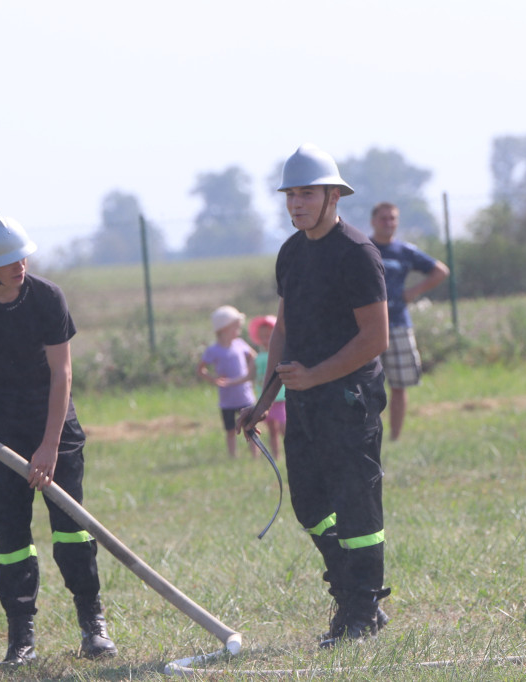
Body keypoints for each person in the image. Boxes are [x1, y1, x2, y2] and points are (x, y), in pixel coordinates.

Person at [0, 212, 117, 667]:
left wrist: (49, 446)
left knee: (73, 533)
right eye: (9, 258)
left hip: (54, 430)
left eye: (23, 255)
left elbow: (63, 374)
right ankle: (21, 640)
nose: (20, 264)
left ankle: (92, 626)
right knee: (12, 540)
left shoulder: (47, 297)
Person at [238, 143, 391, 647]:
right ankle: (352, 592)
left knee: (356, 507)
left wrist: (318, 374)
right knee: (310, 506)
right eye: (290, 194)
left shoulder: (357, 254)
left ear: (332, 196)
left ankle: (361, 612)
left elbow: (374, 338)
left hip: (349, 400)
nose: (296, 203)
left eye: (307, 193)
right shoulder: (290, 252)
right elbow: (284, 326)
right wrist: (265, 397)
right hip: (301, 400)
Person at [369, 202, 450, 441]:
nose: (388, 223)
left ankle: (395, 437)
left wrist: (413, 292)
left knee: (399, 384)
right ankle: (370, 436)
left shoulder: (405, 251)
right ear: (373, 221)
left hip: (398, 325)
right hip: (366, 328)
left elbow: (440, 271)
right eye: (383, 218)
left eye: (392, 218)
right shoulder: (363, 248)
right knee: (366, 387)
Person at [197, 305, 258, 458]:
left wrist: (248, 375)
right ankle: (233, 456)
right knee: (230, 430)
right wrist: (213, 379)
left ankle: (255, 455)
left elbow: (253, 356)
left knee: (250, 427)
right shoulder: (213, 350)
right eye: (235, 327)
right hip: (227, 400)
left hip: (245, 397)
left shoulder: (240, 344)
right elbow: (201, 369)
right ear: (224, 328)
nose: (238, 330)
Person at [248, 314, 286, 459]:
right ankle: (276, 455)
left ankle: (290, 451)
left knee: (284, 426)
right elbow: (250, 375)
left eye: (269, 336)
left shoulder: (278, 354)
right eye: (262, 336)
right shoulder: (258, 357)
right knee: (272, 430)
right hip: (264, 396)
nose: (266, 339)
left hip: (280, 395)